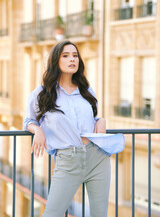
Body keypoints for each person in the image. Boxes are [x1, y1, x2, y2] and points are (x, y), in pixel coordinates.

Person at [23, 40, 111, 217]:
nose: (72, 59)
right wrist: (38, 130)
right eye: (66, 56)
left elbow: (90, 119)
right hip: (68, 160)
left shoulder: (86, 91)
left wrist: (101, 120)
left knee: (100, 214)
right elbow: (28, 120)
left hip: (97, 157)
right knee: (52, 213)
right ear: (56, 61)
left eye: (75, 55)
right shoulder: (42, 94)